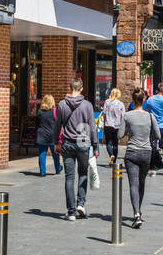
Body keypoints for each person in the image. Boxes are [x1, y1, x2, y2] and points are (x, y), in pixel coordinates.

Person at [55, 78, 98, 221]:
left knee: (69, 177)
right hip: (83, 143)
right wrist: (96, 146)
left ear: (70, 88)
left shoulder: (61, 104)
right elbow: (92, 127)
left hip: (67, 143)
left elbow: (57, 126)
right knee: (83, 174)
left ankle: (71, 211)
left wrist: (56, 142)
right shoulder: (87, 105)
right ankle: (81, 203)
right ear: (81, 89)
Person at [120, 87, 162, 227]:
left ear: (132, 100)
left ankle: (136, 214)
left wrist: (129, 131)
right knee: (141, 183)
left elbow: (120, 134)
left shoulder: (127, 115)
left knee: (133, 183)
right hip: (146, 153)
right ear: (144, 100)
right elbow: (158, 135)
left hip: (131, 152)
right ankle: (139, 212)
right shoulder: (150, 116)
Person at [143, 83, 163, 173]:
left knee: (152, 146)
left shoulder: (150, 99)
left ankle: (151, 165)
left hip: (152, 126)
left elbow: (146, 110)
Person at [35, 94, 61, 177]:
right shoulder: (55, 111)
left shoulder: (39, 112)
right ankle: (58, 169)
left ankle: (42, 172)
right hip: (53, 135)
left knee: (42, 154)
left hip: (42, 134)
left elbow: (37, 123)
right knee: (55, 154)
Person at [102, 88, 126, 164]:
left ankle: (111, 155)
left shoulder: (107, 102)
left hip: (108, 125)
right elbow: (123, 116)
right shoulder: (121, 104)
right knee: (115, 144)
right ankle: (114, 161)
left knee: (108, 143)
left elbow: (104, 113)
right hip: (117, 126)